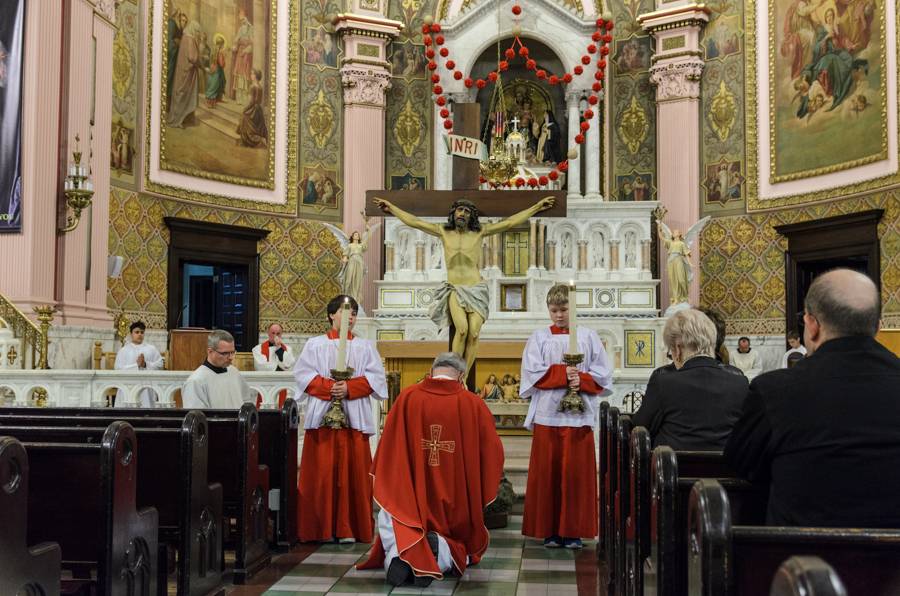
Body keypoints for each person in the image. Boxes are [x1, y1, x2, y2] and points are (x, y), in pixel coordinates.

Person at [725, 269, 900, 527]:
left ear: (812, 324)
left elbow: (739, 463)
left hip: (799, 550)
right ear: (877, 326)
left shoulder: (774, 390)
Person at [357, 352, 504, 586]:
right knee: (460, 545)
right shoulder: (473, 404)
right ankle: (438, 552)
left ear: (432, 370)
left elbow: (389, 448)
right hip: (455, 500)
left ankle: (402, 557)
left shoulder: (407, 398)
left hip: (413, 494)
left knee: (400, 516)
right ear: (461, 375)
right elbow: (492, 453)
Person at [374, 196, 555, 373]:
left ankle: (463, 376)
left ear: (471, 216)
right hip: (455, 288)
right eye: (460, 210)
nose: (462, 213)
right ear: (453, 213)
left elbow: (509, 223)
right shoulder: (443, 231)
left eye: (467, 211)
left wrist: (537, 207)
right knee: (461, 330)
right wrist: (392, 208)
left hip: (476, 288)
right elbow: (415, 222)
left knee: (474, 333)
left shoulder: (479, 232)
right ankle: (453, 372)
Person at [520, 284, 613, 549]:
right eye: (554, 310)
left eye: (564, 309)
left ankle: (574, 530)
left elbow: (603, 374)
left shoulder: (588, 336)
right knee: (548, 474)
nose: (559, 315)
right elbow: (531, 372)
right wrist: (563, 374)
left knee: (576, 475)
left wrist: (580, 379)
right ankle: (549, 530)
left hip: (578, 416)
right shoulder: (539, 337)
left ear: (573, 308)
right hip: (548, 414)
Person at [293, 295, 387, 543]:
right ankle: (319, 528)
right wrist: (329, 388)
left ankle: (350, 528)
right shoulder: (315, 344)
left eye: (354, 313)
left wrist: (349, 388)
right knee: (321, 474)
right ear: (331, 315)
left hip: (354, 416)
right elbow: (303, 375)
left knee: (353, 474)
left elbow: (377, 378)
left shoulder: (365, 347)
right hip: (322, 416)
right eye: (345, 312)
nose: (351, 318)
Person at [632, 310, 748, 450]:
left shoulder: (663, 382)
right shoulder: (740, 382)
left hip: (675, 463)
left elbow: (640, 429)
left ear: (678, 349)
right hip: (727, 463)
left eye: (670, 351)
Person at [182, 329, 255, 409]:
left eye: (232, 352)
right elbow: (197, 415)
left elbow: (246, 401)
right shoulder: (196, 381)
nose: (231, 357)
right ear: (210, 351)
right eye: (225, 353)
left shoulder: (233, 371)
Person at [114, 321, 165, 408]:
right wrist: (136, 366)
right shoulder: (124, 350)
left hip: (146, 386)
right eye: (137, 332)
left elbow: (160, 365)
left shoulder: (151, 349)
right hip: (128, 385)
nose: (140, 334)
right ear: (131, 334)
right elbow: (118, 369)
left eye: (142, 332)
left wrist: (145, 364)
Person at [167, 20, 201, 128]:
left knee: (181, 94)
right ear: (193, 29)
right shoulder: (190, 39)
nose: (197, 33)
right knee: (183, 95)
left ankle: (183, 118)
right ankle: (178, 120)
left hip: (182, 71)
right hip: (187, 73)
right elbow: (192, 57)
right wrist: (199, 61)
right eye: (197, 31)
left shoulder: (185, 37)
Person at [252, 323, 296, 408]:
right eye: (273, 333)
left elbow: (288, 365)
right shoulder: (258, 349)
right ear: (268, 333)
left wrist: (279, 348)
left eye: (278, 333)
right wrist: (279, 367)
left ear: (281, 334)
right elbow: (261, 366)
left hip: (282, 385)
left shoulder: (288, 349)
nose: (275, 336)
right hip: (266, 385)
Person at [237, 69, 268, 147]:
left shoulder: (252, 86)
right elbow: (258, 101)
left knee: (244, 117)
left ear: (256, 76)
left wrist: (245, 109)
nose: (251, 75)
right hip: (258, 110)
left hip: (253, 109)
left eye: (252, 74)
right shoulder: (260, 87)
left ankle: (248, 140)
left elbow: (252, 102)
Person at [204, 34, 226, 108]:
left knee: (212, 84)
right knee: (214, 85)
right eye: (222, 44)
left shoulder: (213, 50)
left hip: (212, 68)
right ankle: (211, 103)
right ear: (221, 44)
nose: (223, 46)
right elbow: (221, 64)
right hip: (217, 70)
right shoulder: (220, 52)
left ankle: (211, 101)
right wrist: (224, 59)